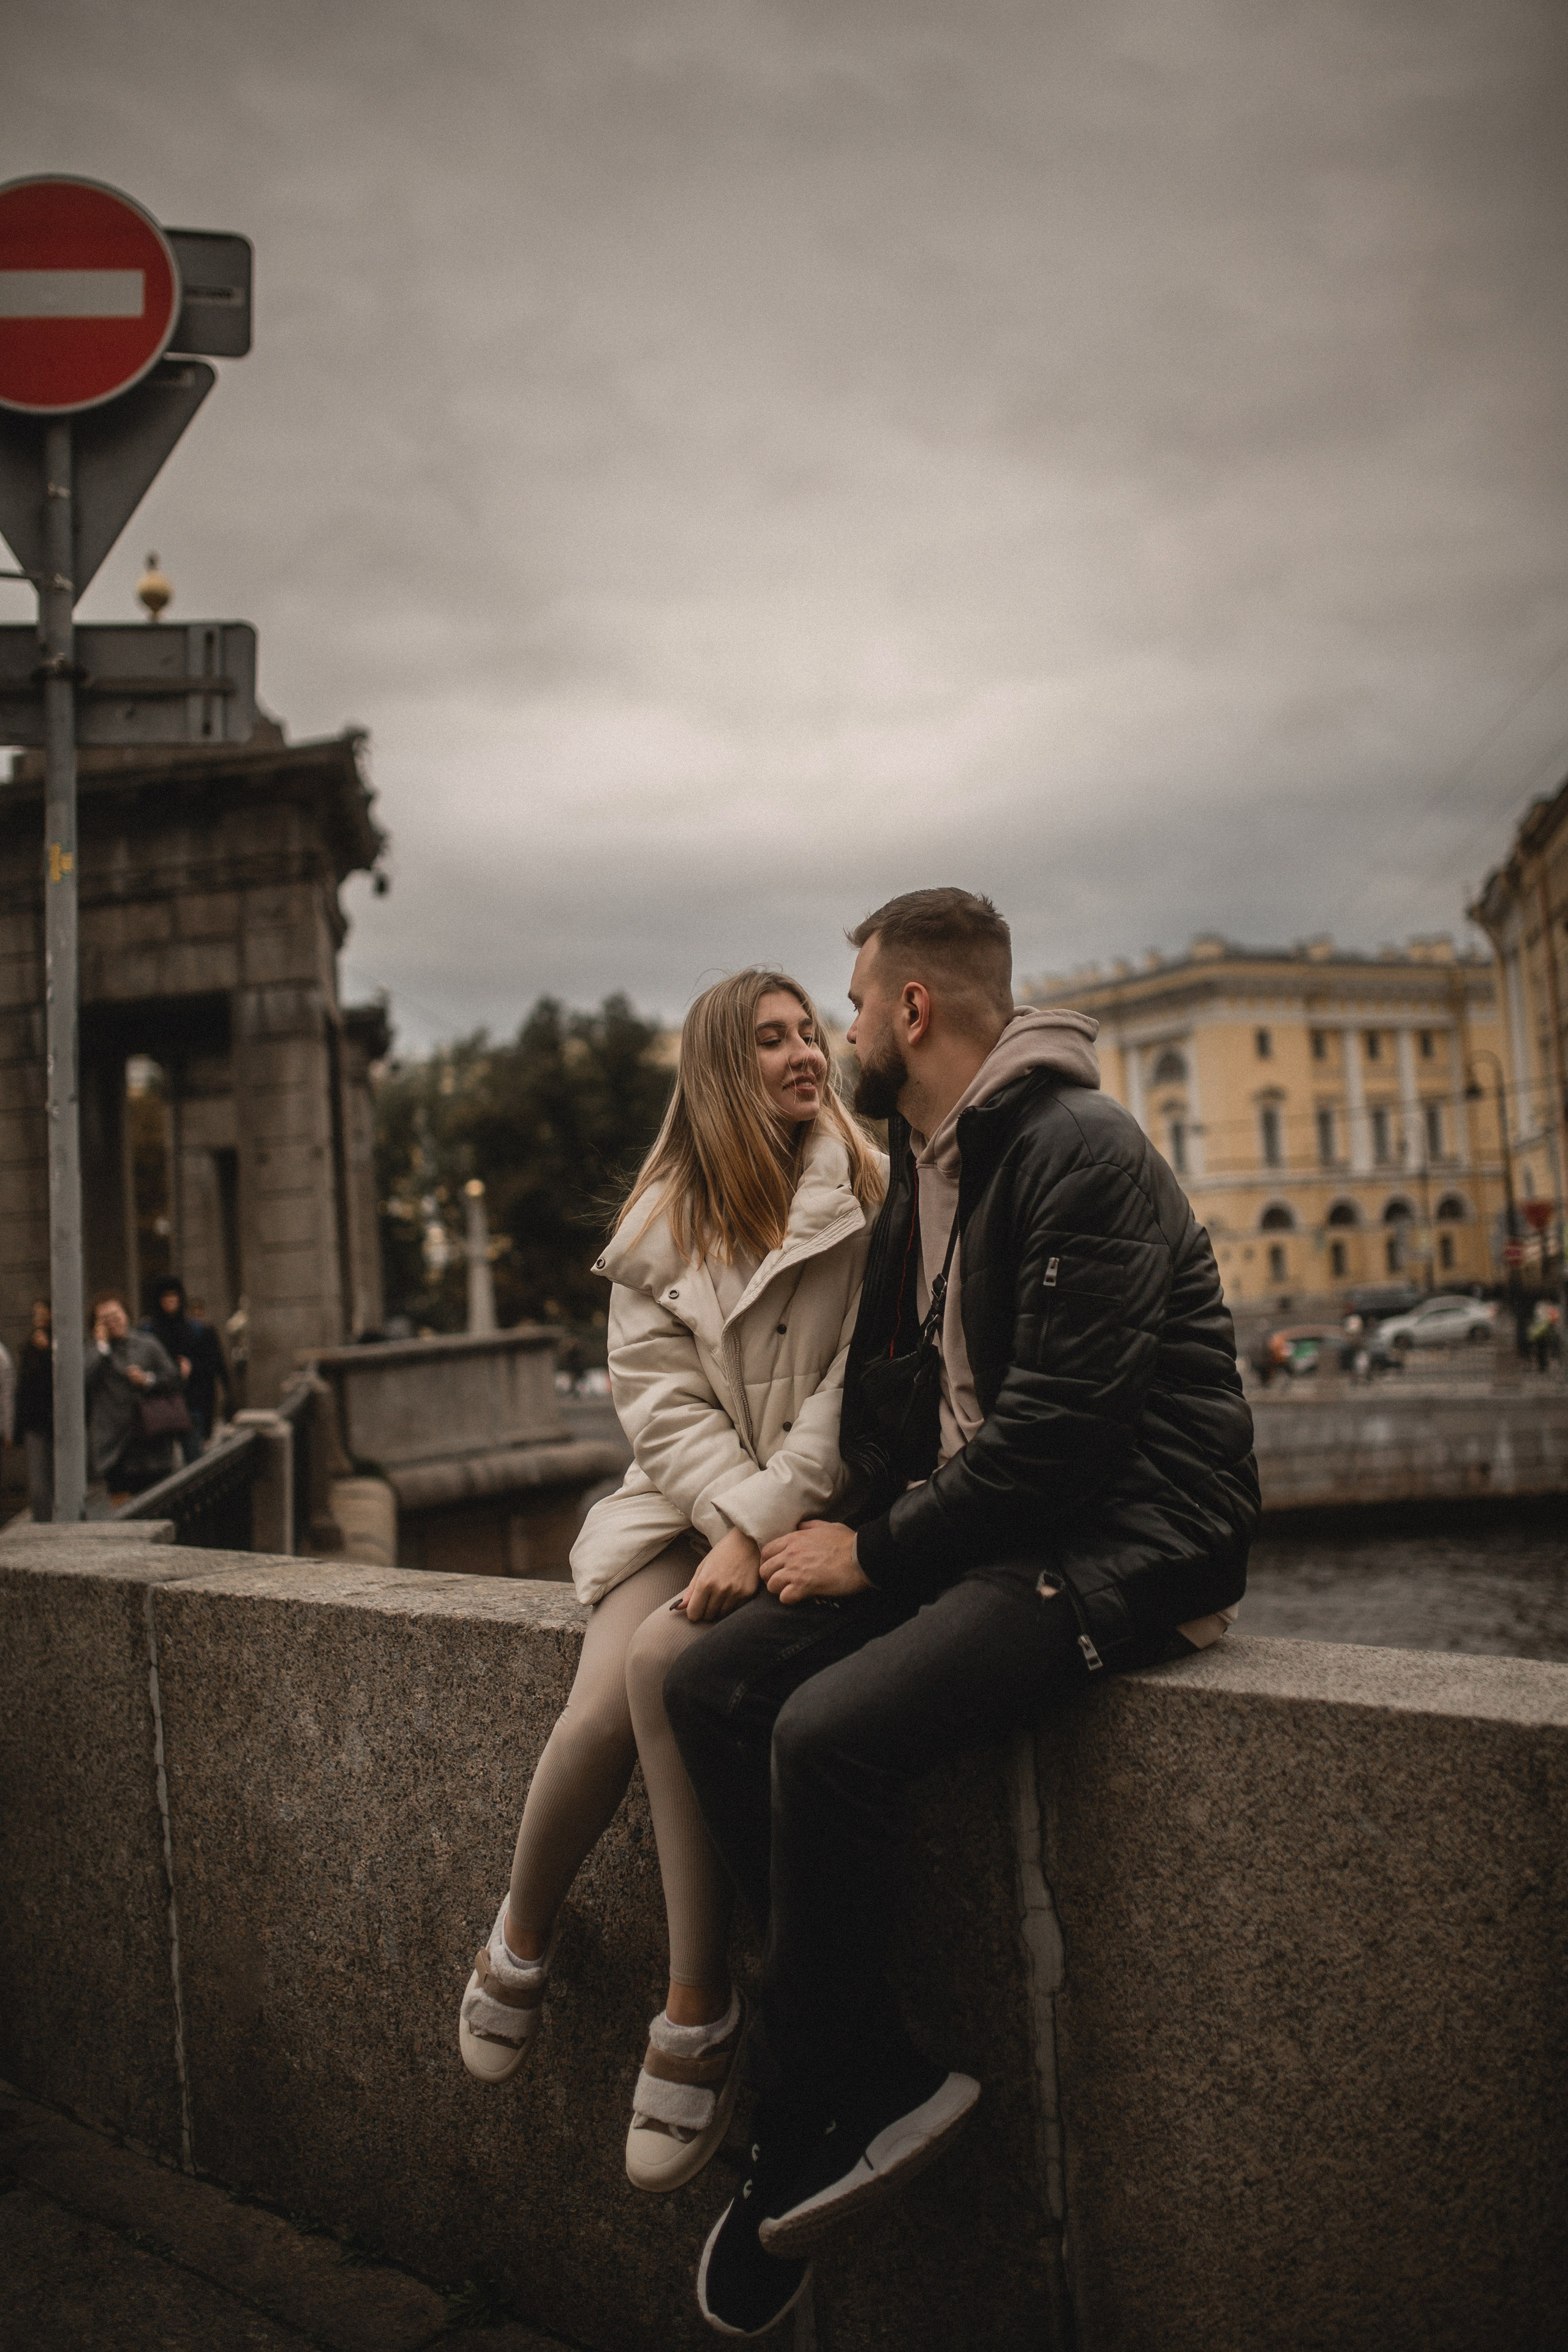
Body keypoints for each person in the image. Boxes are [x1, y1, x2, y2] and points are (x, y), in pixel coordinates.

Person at [663, 889, 1259, 2338]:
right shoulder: (925, 1172)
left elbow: (1058, 1436)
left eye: (855, 1001)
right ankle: (862, 2062)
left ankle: (808, 2103)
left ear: (911, 1011)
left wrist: (873, 1559)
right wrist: (777, 1532)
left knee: (825, 1730)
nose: (847, 1024)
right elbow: (882, 1412)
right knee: (702, 1687)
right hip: (986, 1533)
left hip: (1123, 1542)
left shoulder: (1079, 1148)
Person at [456, 969, 884, 2196]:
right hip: (679, 1505)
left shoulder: (867, 1188)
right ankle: (520, 1933)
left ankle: (696, 2008)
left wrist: (757, 1526)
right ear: (718, 1069)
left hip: (804, 1504)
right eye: (772, 1040)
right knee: (594, 1709)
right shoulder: (658, 1221)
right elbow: (658, 1407)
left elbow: (849, 1405)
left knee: (662, 1673)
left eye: (812, 1032)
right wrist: (724, 1521)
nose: (806, 1053)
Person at [85, 1293, 184, 1504]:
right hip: (115, 1445)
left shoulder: (147, 1344)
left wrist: (147, 1379)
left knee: (157, 1504)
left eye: (116, 1314)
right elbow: (81, 1381)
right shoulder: (93, 1351)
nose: (112, 1321)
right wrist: (101, 1347)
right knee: (123, 1511)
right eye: (104, 1319)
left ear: (125, 1314)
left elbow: (174, 1379)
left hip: (152, 1440)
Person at [141, 1276, 207, 1463]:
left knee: (194, 1459)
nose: (170, 1302)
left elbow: (207, 1367)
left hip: (190, 1402)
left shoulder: (194, 1330)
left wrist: (190, 1367)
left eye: (174, 1297)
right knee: (162, 1464)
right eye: (166, 1297)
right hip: (159, 1403)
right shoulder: (149, 1331)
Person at [15, 1300, 54, 1521]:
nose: (38, 1316)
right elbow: (23, 1388)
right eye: (35, 1313)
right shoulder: (29, 1345)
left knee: (59, 1479)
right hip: (34, 1422)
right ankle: (42, 1524)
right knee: (38, 1482)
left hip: (57, 1422)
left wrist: (48, 1351)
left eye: (42, 1312)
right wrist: (18, 1429)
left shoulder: (60, 1342)